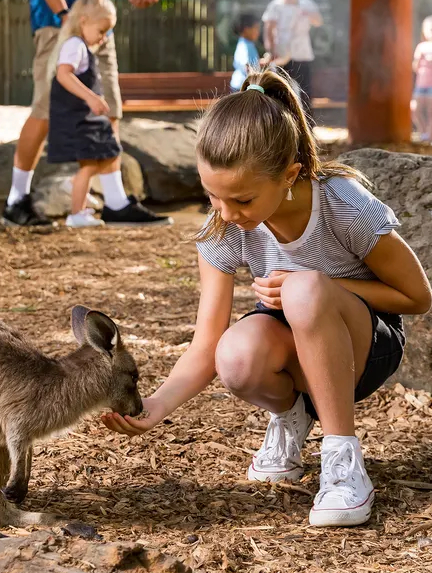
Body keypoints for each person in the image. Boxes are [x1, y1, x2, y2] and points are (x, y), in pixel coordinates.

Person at [101, 69, 432, 528]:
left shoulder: (341, 204)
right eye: (212, 196)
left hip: (364, 347)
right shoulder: (224, 226)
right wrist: (154, 406)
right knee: (233, 355)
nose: (226, 213)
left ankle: (343, 463)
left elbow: (416, 297)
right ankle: (292, 415)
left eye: (242, 200)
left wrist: (323, 282)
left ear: (290, 175)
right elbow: (204, 346)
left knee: (303, 287)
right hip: (292, 338)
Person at [2, 0, 171, 227]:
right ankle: (17, 199)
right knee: (45, 110)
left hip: (98, 25)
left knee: (108, 107)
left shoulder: (100, 31)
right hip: (58, 24)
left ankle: (116, 202)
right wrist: (64, 14)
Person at [47, 0, 120, 228]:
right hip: (76, 120)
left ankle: (76, 185)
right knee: (89, 165)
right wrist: (91, 97)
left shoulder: (83, 48)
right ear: (83, 22)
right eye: (101, 31)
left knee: (97, 159)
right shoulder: (75, 46)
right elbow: (63, 74)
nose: (104, 37)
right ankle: (76, 214)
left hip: (83, 119)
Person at [261, 0, 322, 119]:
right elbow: (268, 29)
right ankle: (282, 121)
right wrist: (271, 51)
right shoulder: (275, 5)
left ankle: (307, 126)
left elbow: (318, 21)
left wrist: (307, 14)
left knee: (305, 91)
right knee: (280, 90)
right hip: (281, 56)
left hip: (302, 55)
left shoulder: (307, 4)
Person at [412, 16, 432, 142]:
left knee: (431, 111)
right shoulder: (421, 46)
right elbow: (415, 66)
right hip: (420, 84)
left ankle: (429, 135)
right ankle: (423, 132)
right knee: (415, 109)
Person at [229, 14, 261, 92]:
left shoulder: (247, 44)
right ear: (247, 30)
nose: (258, 32)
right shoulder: (245, 46)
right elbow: (247, 66)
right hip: (242, 86)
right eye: (256, 28)